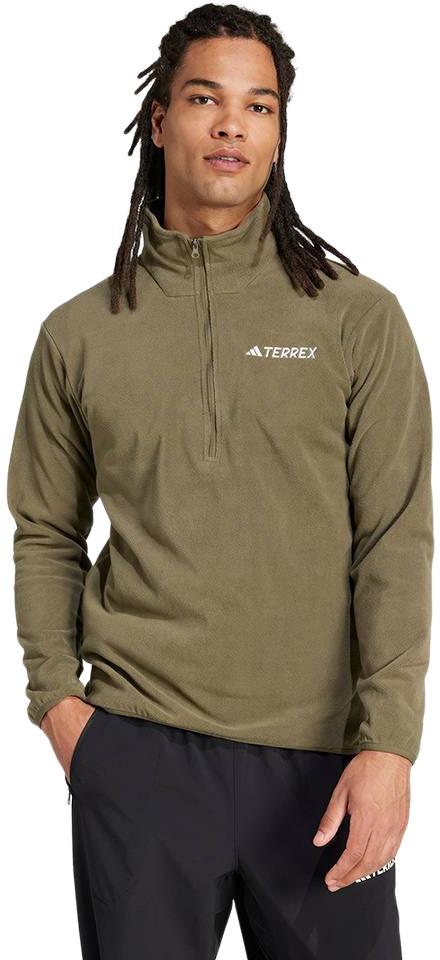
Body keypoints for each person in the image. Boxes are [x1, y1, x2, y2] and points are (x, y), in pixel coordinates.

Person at [7, 4, 433, 958]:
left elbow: (396, 538)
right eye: (206, 99)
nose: (233, 125)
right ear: (160, 120)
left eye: (260, 106)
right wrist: (60, 706)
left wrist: (389, 744)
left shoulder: (358, 319)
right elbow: (45, 530)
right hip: (139, 751)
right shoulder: (78, 335)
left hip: (324, 764)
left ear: (280, 133)